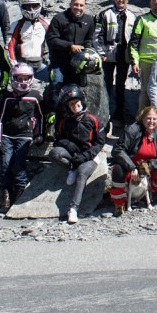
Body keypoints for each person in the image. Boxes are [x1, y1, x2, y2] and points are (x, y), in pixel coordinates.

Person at [47, 84, 103, 225]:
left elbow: (99, 143)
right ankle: (71, 167)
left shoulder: (93, 119)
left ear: (82, 102)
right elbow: (58, 139)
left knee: (82, 173)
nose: (75, 106)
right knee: (55, 154)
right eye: (71, 104)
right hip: (73, 155)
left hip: (89, 155)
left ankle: (73, 208)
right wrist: (70, 148)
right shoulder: (65, 121)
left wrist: (85, 156)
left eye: (77, 103)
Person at [108, 106, 157, 215]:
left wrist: (151, 165)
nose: (151, 121)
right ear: (142, 118)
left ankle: (147, 193)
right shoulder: (132, 130)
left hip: (149, 168)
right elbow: (117, 150)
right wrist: (132, 167)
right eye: (148, 118)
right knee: (117, 170)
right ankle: (119, 202)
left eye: (154, 119)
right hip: (131, 166)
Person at [0, 63, 43, 212]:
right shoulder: (7, 97)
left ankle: (19, 197)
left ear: (31, 78)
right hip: (7, 135)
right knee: (5, 164)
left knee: (19, 165)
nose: (22, 82)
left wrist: (39, 135)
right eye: (19, 78)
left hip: (25, 136)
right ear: (13, 79)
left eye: (25, 78)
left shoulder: (35, 96)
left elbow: (40, 117)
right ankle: (6, 196)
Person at [92, 0, 133, 132]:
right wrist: (102, 53)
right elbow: (97, 36)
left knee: (121, 86)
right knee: (106, 85)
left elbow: (134, 38)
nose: (121, 0)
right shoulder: (105, 14)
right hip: (107, 57)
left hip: (124, 56)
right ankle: (104, 115)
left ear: (128, 0)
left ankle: (119, 116)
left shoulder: (132, 16)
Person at [47, 0, 95, 88]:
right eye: (76, 4)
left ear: (84, 6)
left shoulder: (89, 20)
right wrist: (70, 46)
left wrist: (89, 52)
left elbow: (89, 39)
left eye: (81, 5)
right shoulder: (58, 18)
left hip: (79, 63)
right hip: (59, 62)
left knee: (76, 91)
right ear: (70, 4)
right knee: (57, 88)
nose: (78, 7)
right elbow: (51, 39)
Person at [7, 0, 50, 80]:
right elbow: (10, 46)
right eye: (27, 6)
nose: (31, 9)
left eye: (34, 6)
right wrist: (15, 65)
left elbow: (53, 44)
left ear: (40, 5)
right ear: (22, 7)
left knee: (55, 81)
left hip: (40, 64)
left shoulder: (46, 24)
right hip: (22, 65)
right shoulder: (16, 25)